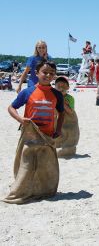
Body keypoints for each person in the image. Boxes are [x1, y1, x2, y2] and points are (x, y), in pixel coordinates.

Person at [4, 61, 64, 204]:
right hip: (30, 136)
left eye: (51, 73)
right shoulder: (28, 91)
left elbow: (61, 113)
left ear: (54, 76)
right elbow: (11, 108)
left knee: (46, 166)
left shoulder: (57, 94)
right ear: (36, 73)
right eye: (45, 72)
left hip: (48, 136)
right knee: (27, 164)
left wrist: (59, 129)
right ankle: (20, 190)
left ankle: (43, 190)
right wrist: (20, 118)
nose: (48, 75)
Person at [54, 76, 80, 157]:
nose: (61, 88)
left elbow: (70, 111)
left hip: (69, 121)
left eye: (63, 86)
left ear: (68, 87)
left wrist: (62, 102)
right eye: (58, 86)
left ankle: (68, 149)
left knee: (70, 133)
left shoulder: (70, 98)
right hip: (57, 121)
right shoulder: (53, 97)